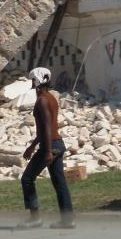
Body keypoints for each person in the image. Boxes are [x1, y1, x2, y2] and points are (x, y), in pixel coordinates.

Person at [17, 67, 75, 229]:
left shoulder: (42, 100)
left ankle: (35, 218)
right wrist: (32, 146)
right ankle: (68, 219)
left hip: (51, 146)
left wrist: (47, 150)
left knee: (27, 178)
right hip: (57, 144)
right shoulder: (50, 98)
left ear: (36, 81)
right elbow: (45, 128)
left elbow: (47, 127)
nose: (31, 83)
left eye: (32, 80)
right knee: (59, 182)